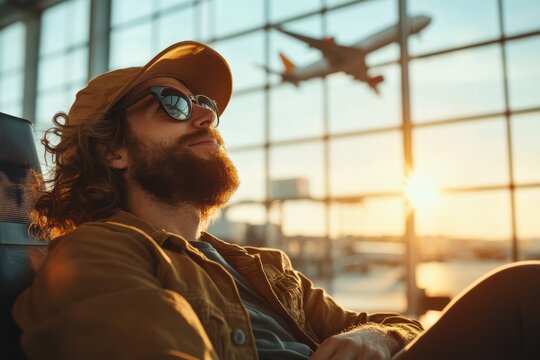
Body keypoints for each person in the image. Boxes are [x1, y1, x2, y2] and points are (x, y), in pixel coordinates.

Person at [12, 41, 539, 360]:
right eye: (172, 103)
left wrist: (377, 337)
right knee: (522, 295)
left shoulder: (260, 265)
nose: (203, 116)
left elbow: (391, 321)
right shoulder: (98, 253)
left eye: (205, 106)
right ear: (115, 150)